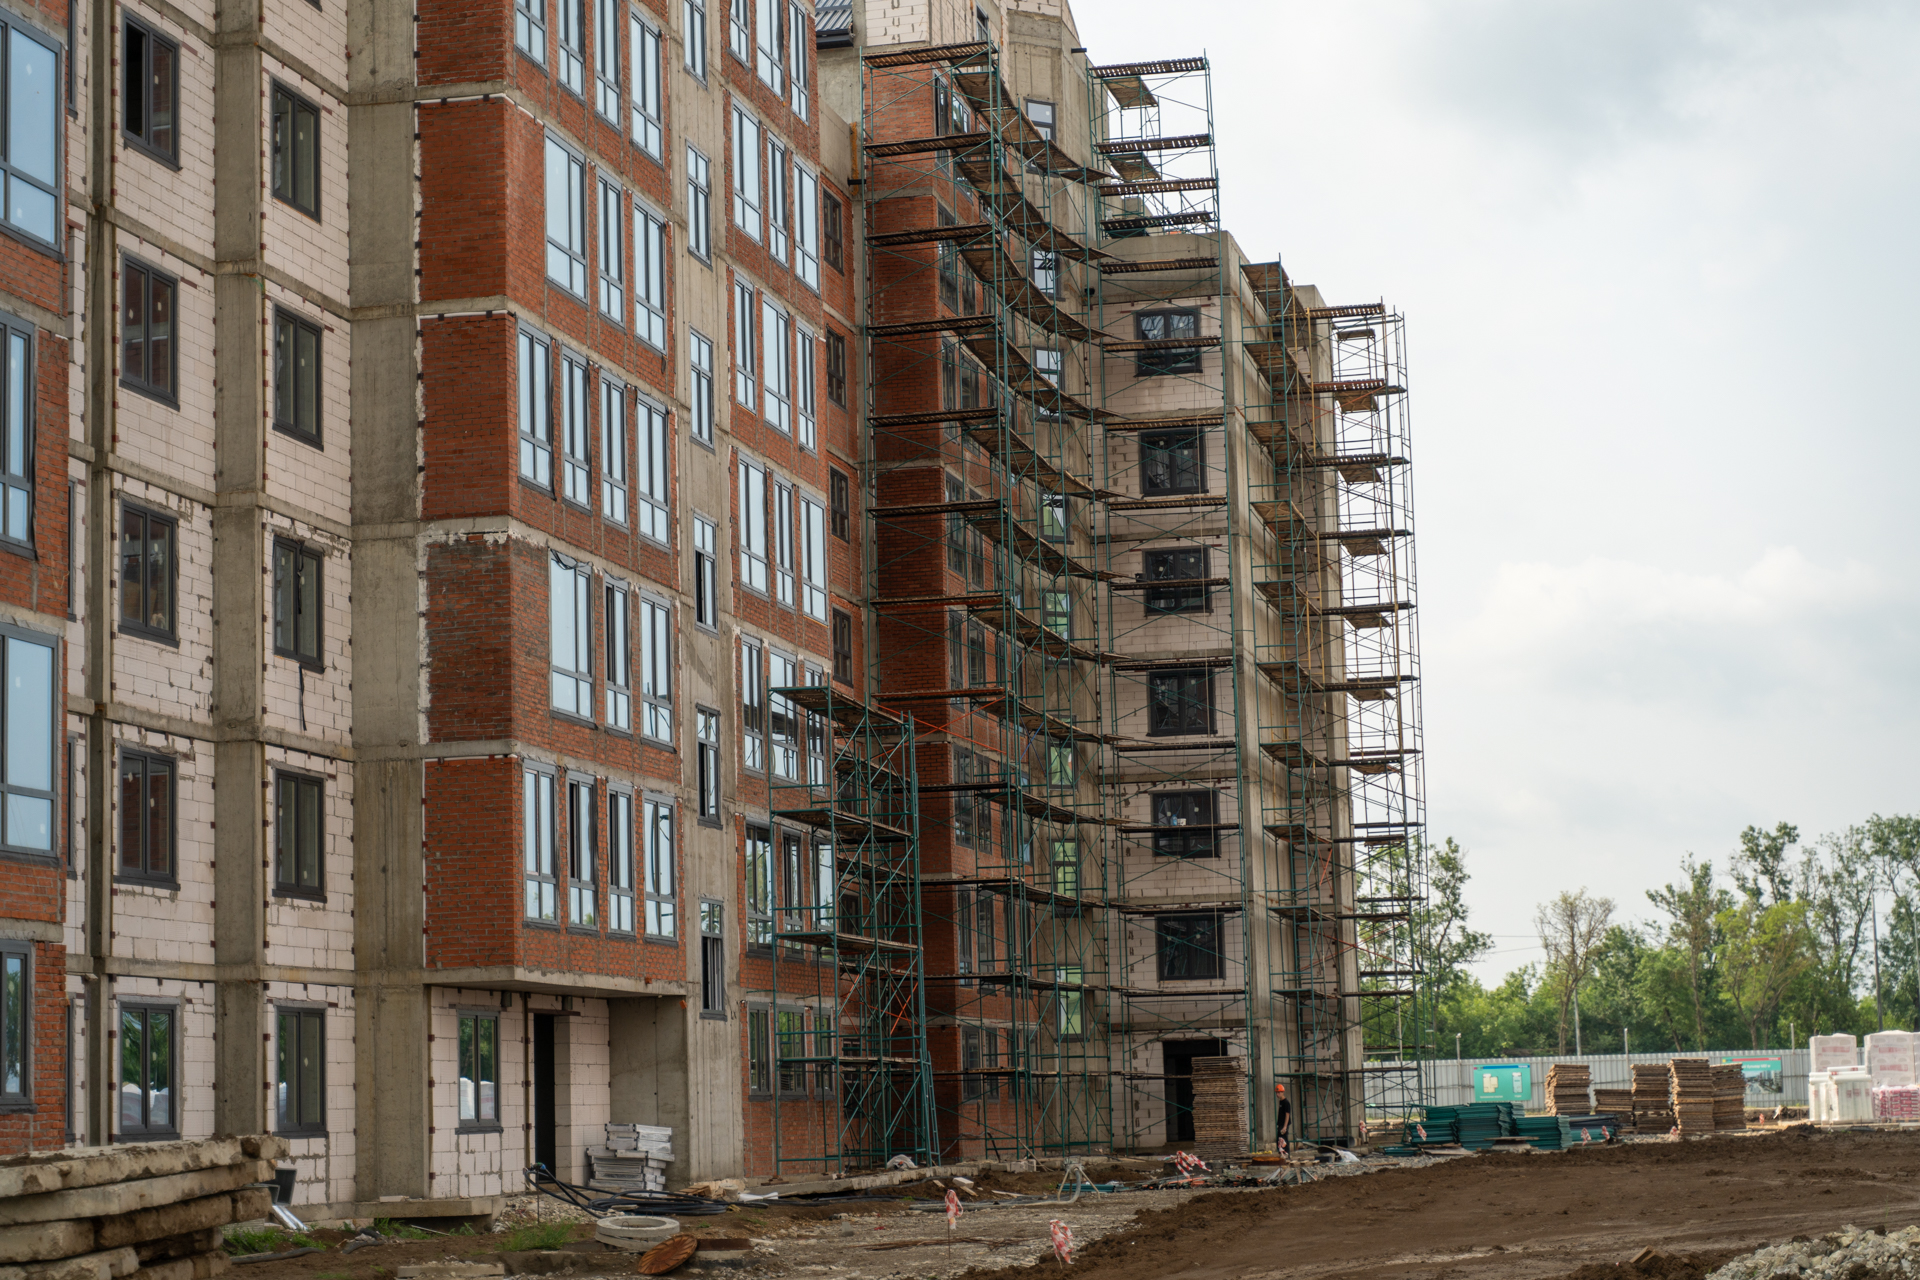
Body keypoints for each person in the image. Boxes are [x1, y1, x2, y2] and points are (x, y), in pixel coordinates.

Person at [1274, 1081, 1292, 1152]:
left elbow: (1287, 1115)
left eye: (1279, 1093)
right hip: (1280, 1124)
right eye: (1276, 1093)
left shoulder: (1286, 1102)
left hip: (1283, 1125)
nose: (1277, 1094)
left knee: (1283, 1140)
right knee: (1279, 1141)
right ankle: (1282, 1153)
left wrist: (1285, 1127)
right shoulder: (1280, 1102)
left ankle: (1286, 1154)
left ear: (1282, 1092)